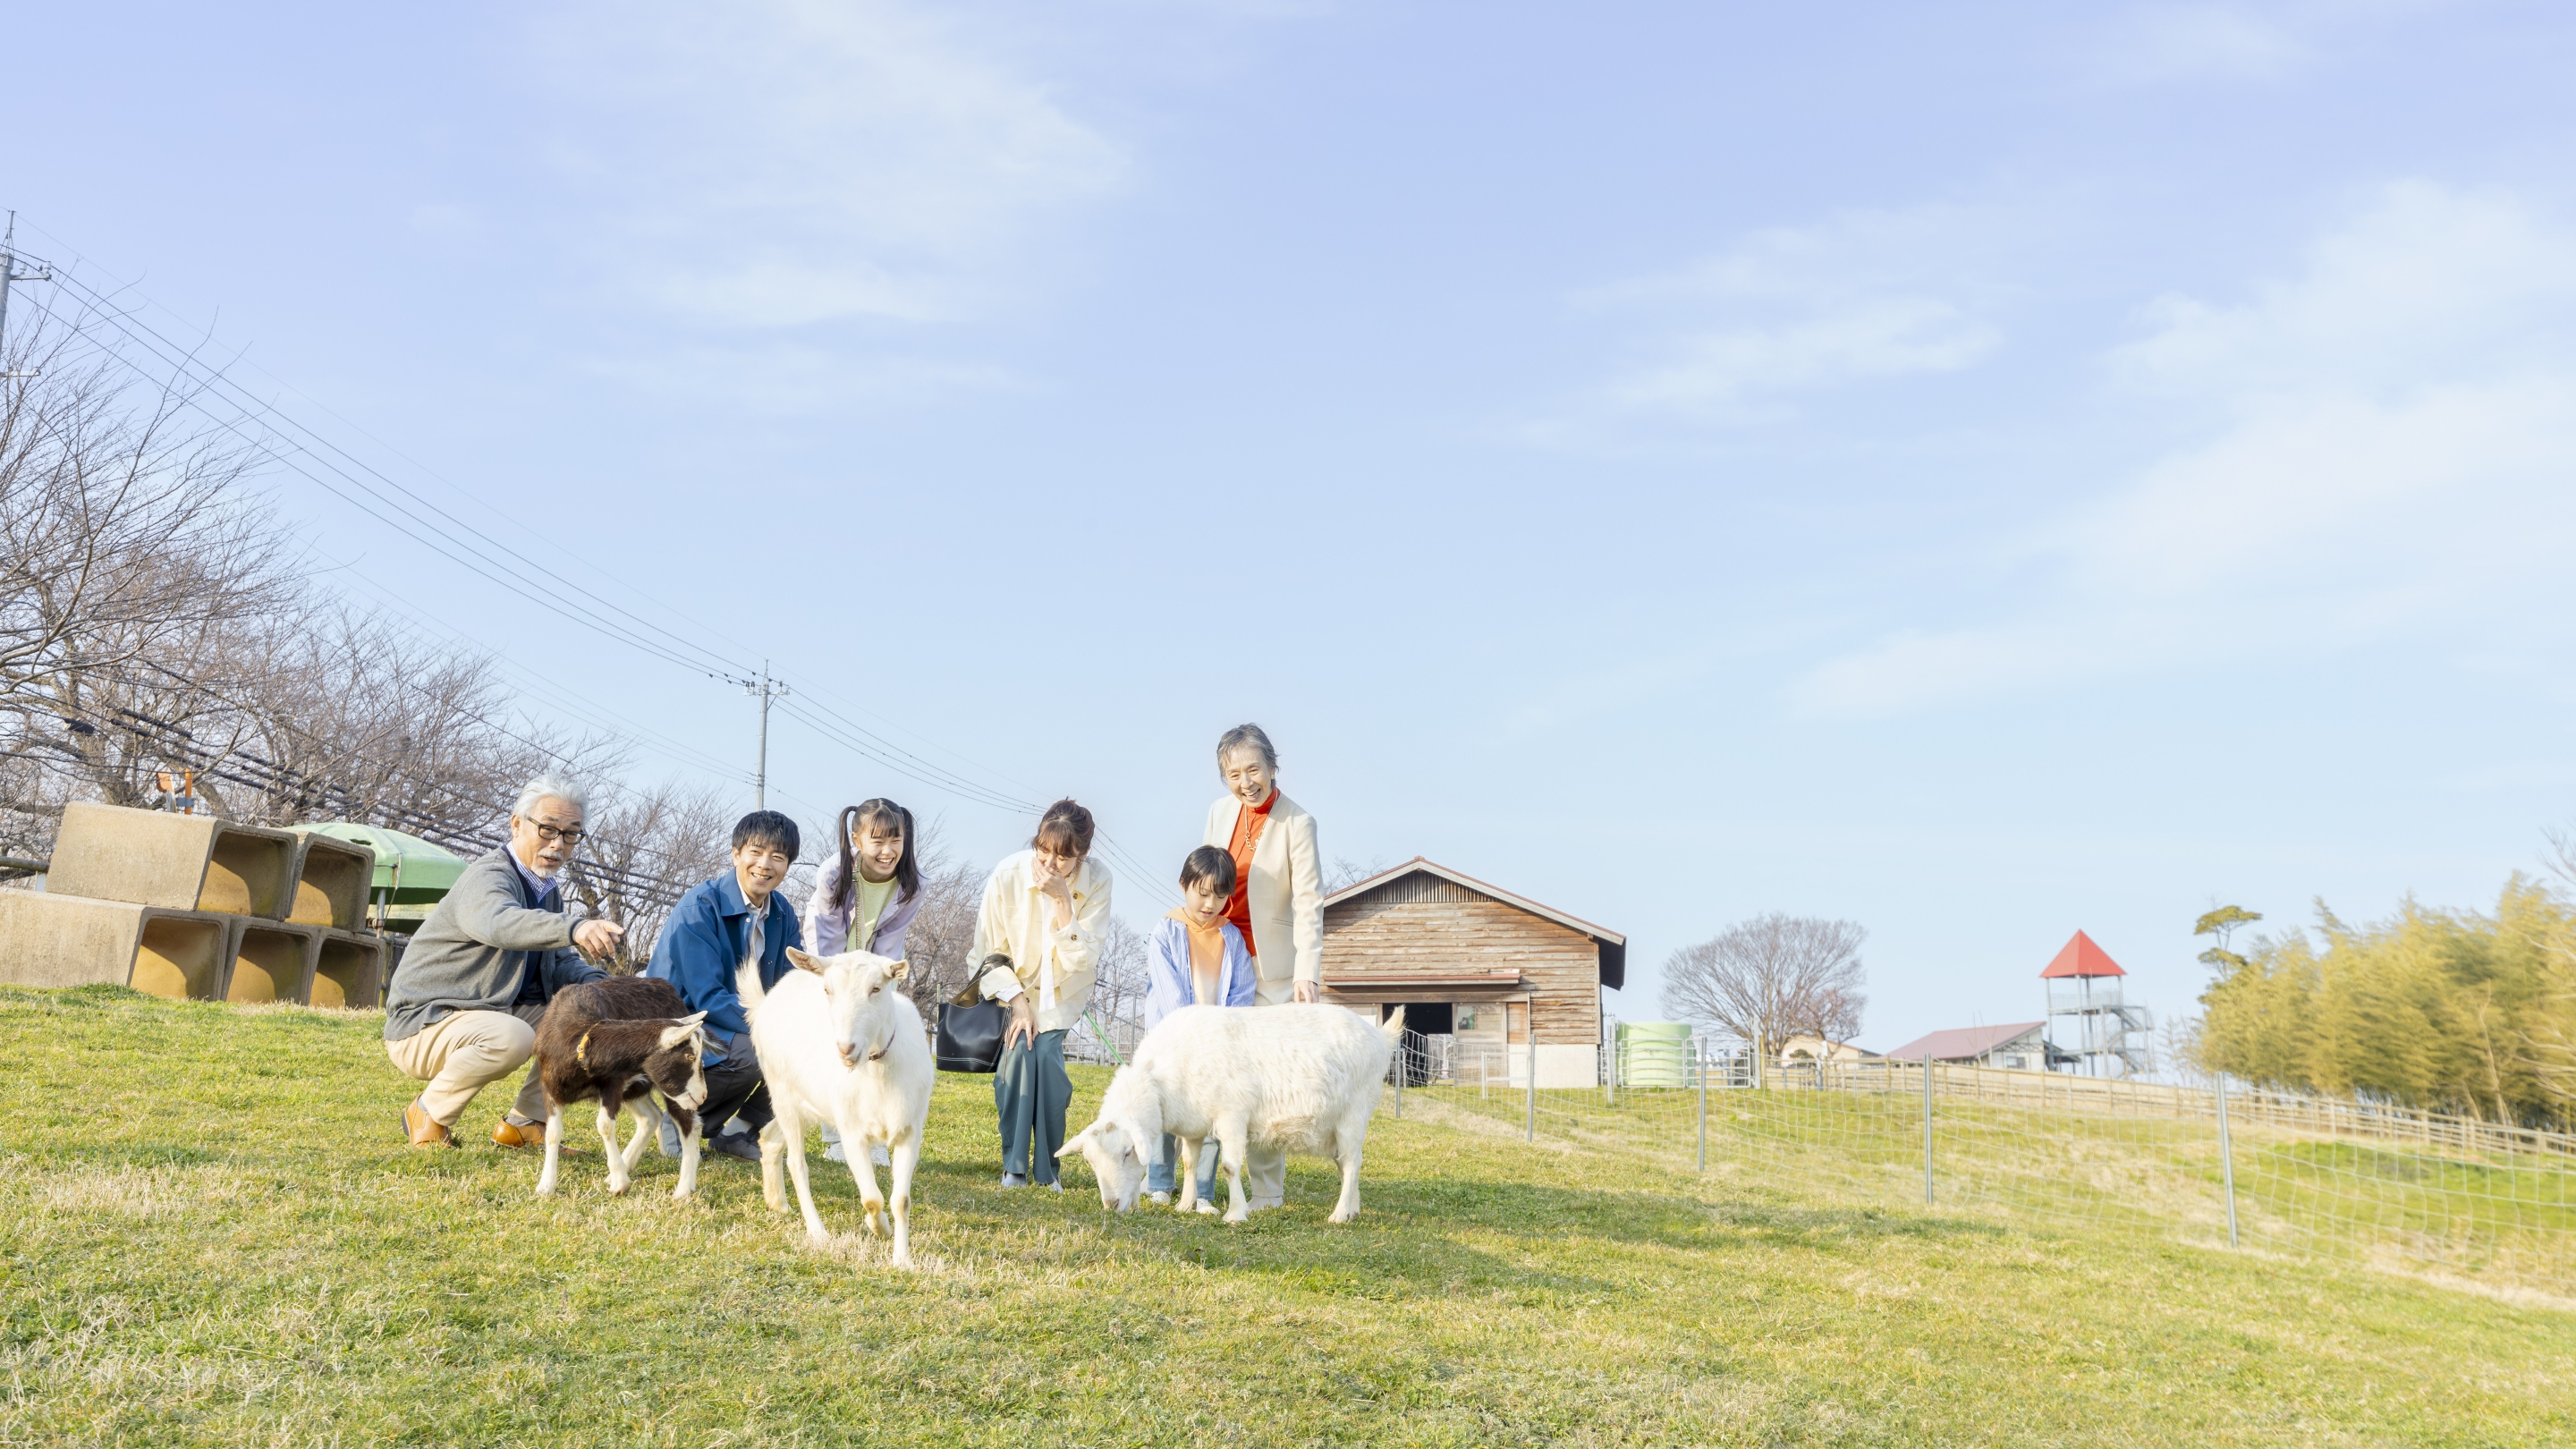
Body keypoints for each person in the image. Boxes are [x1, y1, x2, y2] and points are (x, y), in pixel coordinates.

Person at [384, 775, 625, 1148]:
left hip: (488, 1012)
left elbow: (558, 963)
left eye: (570, 834)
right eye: (547, 829)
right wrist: (574, 927)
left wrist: (608, 989)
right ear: (516, 824)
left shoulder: (546, 891)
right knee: (514, 1037)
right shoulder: (488, 876)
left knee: (588, 1021)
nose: (558, 844)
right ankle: (427, 1113)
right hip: (425, 1022)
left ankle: (526, 1123)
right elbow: (499, 923)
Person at [1199, 723, 1323, 1211]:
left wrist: (1306, 970)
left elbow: (1309, 902)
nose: (1245, 782)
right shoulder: (1218, 813)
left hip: (1271, 966)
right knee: (1216, 1069)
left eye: (1253, 769)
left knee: (1265, 1077)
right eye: (1234, 774)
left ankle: (1268, 1192)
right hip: (1221, 955)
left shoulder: (1298, 822)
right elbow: (1204, 880)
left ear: (1272, 766)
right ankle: (1202, 1183)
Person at [969, 798, 1113, 1189]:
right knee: (1018, 1055)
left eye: (1063, 857)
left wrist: (1063, 900)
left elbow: (1084, 959)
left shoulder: (1099, 880)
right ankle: (1014, 1167)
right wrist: (1017, 1003)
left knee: (1047, 1060)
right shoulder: (1008, 874)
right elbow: (987, 953)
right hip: (1010, 990)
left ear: (1082, 854)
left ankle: (1049, 1171)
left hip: (1062, 994)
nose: (1049, 863)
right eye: (1043, 850)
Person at [644, 810, 802, 1162]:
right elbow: (708, 997)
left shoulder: (782, 913)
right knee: (755, 1053)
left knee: (804, 1048)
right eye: (756, 852)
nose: (765, 865)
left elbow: (792, 984)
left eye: (778, 857)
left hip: (737, 1021)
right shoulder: (700, 906)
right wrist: (773, 1027)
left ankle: (737, 1132)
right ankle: (679, 1118)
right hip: (681, 1023)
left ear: (788, 865)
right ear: (735, 854)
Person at [801, 798, 922, 1163]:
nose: (887, 851)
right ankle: (837, 1137)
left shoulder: (912, 885)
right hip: (833, 960)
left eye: (895, 840)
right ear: (857, 839)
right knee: (839, 1037)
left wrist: (878, 982)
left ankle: (872, 1132)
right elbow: (829, 939)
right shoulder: (832, 875)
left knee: (875, 1039)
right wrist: (843, 987)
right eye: (877, 841)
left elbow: (890, 942)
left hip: (873, 964)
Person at [1139, 844, 1257, 1208]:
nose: (1210, 904)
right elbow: (1169, 994)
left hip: (1216, 1046)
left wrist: (1221, 1038)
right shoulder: (1166, 931)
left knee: (1211, 1116)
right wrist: (1193, 1036)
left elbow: (1242, 993)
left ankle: (1203, 1191)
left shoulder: (1231, 938)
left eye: (1219, 896)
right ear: (1184, 885)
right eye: (1202, 893)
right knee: (1163, 1108)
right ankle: (1159, 1182)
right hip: (1171, 1041)